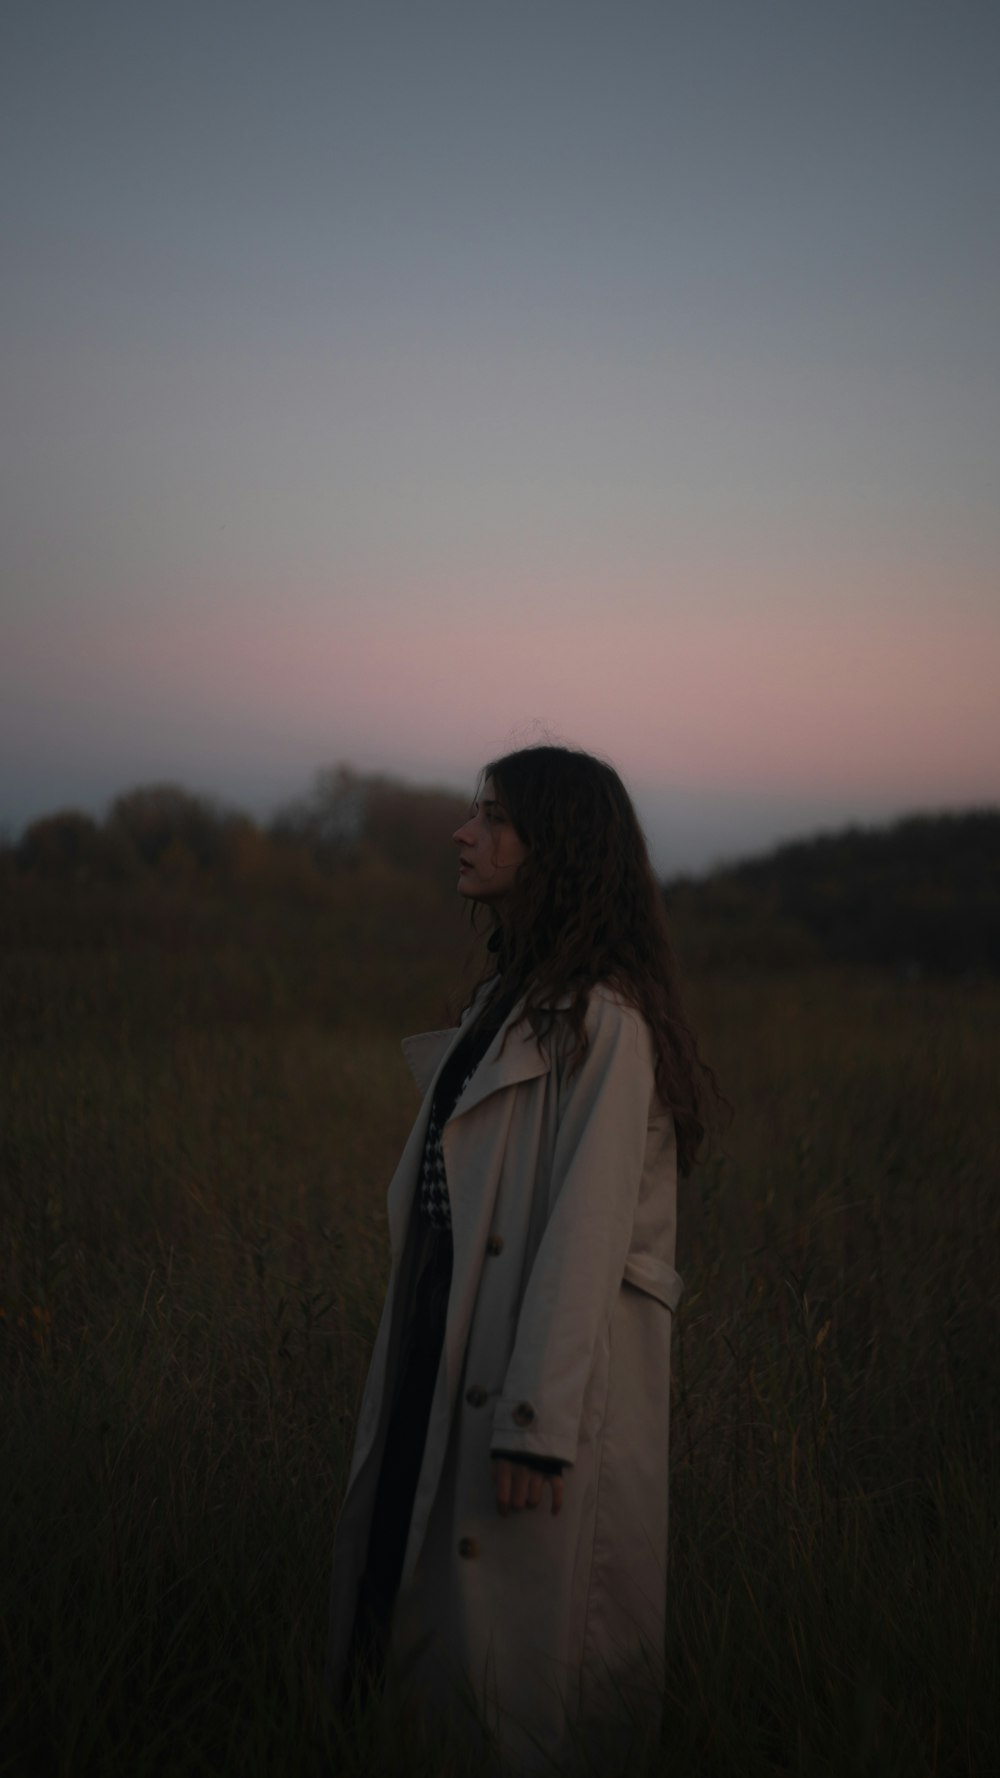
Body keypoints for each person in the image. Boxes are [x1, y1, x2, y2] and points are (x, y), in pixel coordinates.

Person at [327, 744, 718, 1773]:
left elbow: (587, 1231)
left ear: (558, 849)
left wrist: (536, 1423)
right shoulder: (514, 997)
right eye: (473, 812)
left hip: (521, 1369)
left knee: (526, 1663)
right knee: (408, 1597)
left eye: (493, 817)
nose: (464, 832)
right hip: (444, 1333)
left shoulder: (605, 1019)